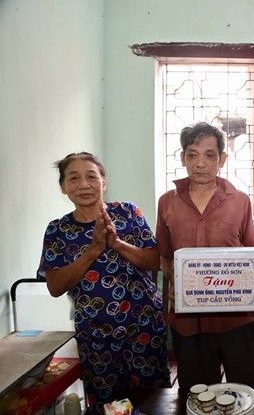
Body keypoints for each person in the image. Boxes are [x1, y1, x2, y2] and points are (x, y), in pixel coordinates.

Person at [38, 152, 171, 414]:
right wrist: (93, 251)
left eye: (91, 176)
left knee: (153, 399)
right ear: (63, 187)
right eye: (73, 178)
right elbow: (55, 287)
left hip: (143, 324)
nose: (84, 184)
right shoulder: (57, 230)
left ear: (104, 182)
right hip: (96, 334)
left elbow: (155, 260)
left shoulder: (128, 212)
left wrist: (117, 244)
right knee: (108, 403)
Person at [156, 122, 254, 393]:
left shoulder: (239, 201)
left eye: (209, 155)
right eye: (192, 154)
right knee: (198, 396)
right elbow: (165, 256)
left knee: (252, 391)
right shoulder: (167, 202)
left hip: (239, 317)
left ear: (222, 159)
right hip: (189, 322)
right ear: (183, 158)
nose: (200, 163)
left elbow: (250, 253)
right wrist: (175, 282)